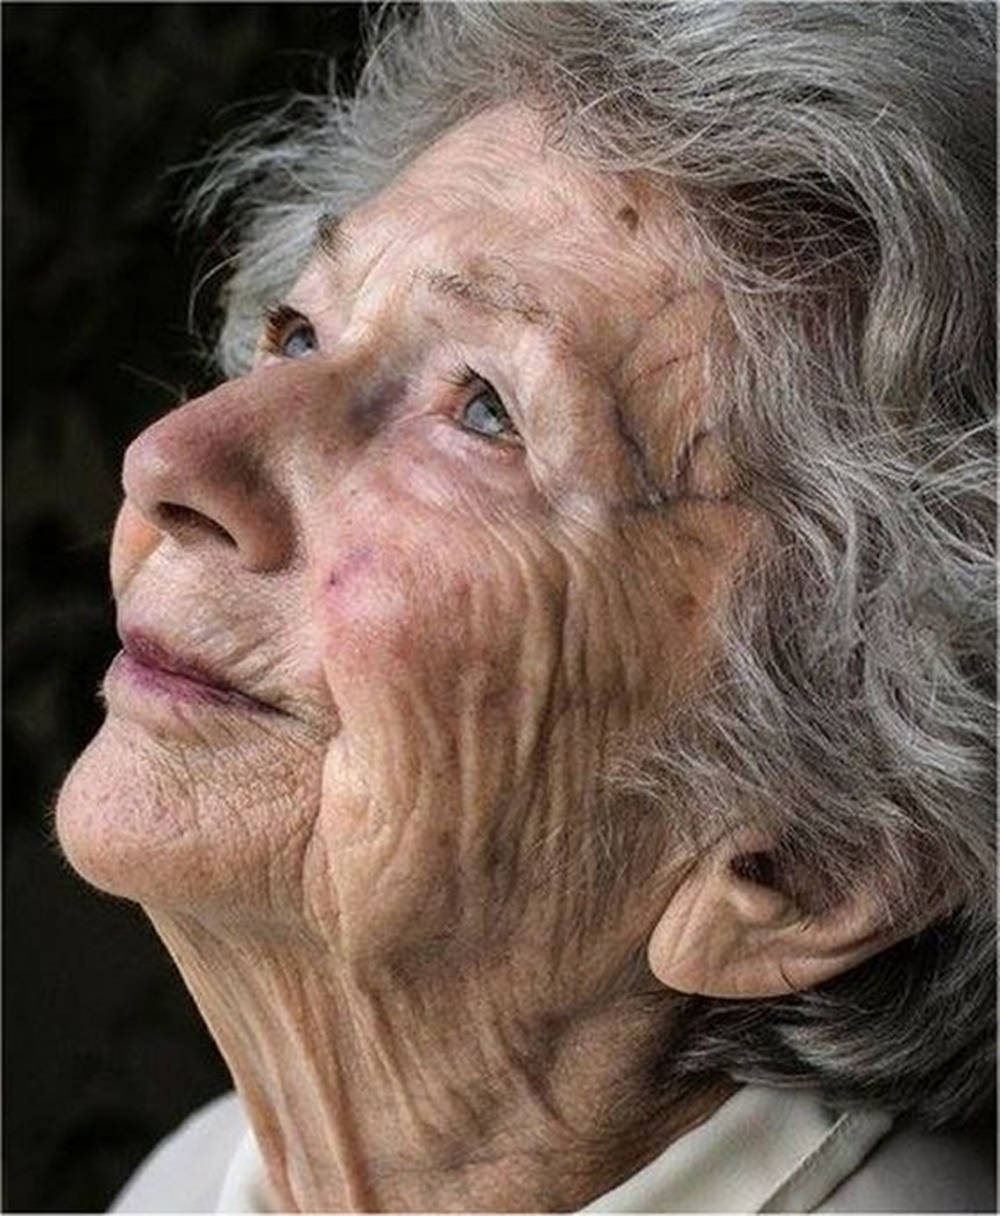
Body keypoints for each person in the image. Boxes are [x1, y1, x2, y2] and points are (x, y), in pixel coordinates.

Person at [55, 3, 995, 1211]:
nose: (172, 460)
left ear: (808, 863)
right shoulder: (194, 1182)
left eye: (485, 410)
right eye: (297, 335)